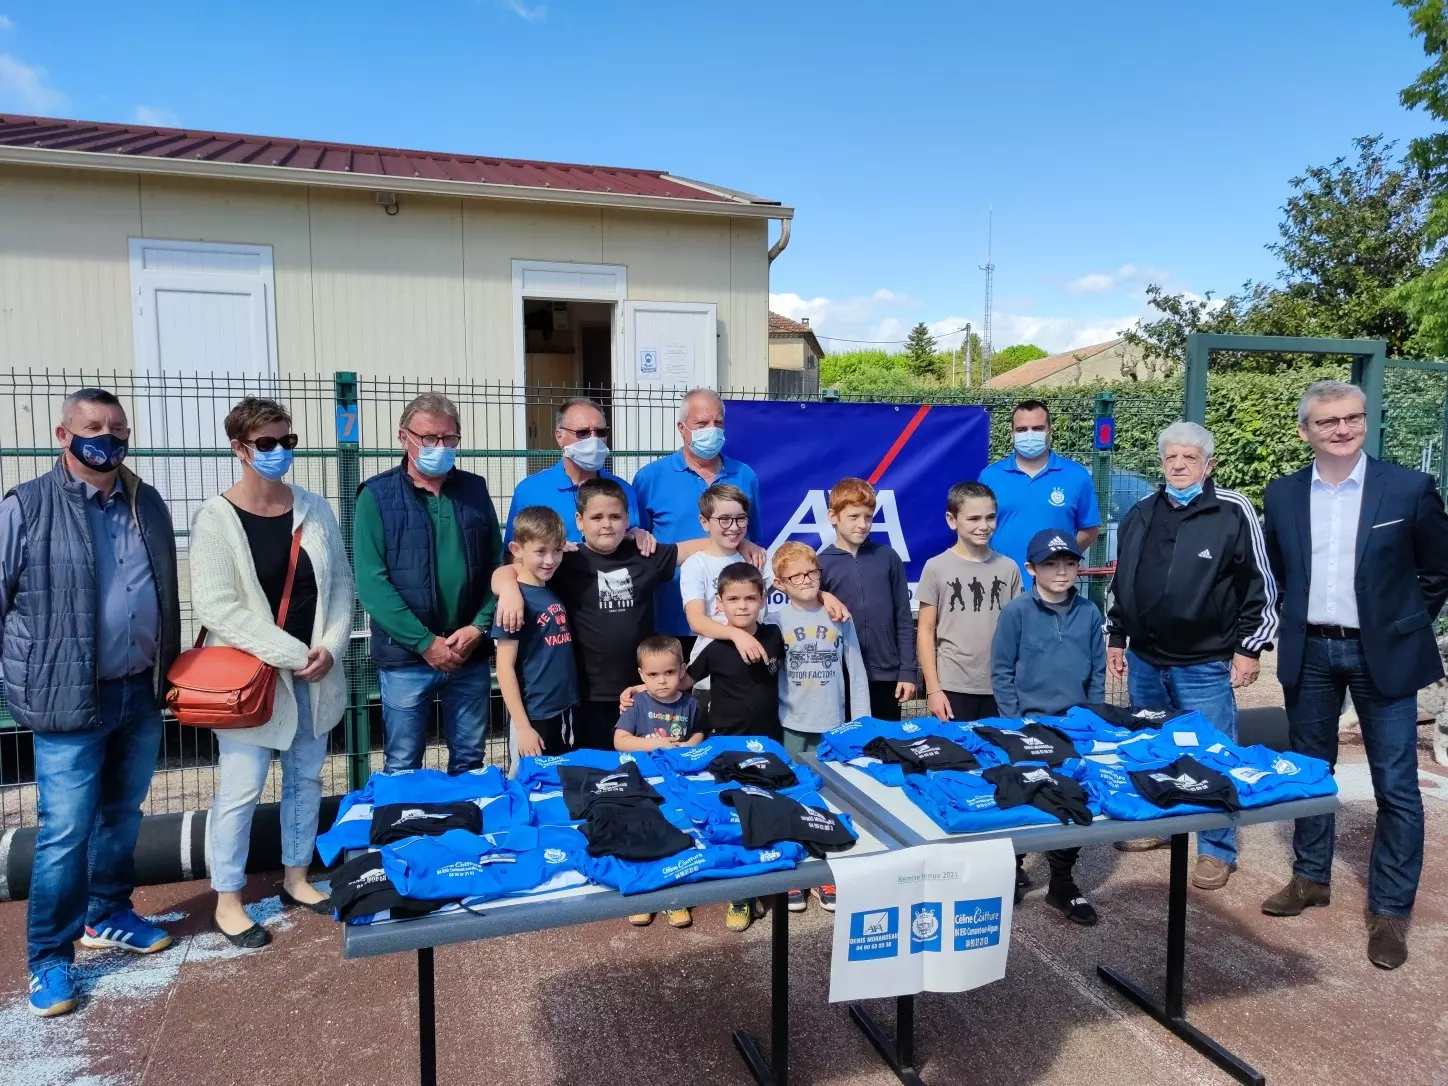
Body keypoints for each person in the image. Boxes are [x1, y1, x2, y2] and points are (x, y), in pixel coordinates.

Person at [1, 388, 181, 1018]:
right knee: (64, 832)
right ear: (63, 434)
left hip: (138, 689)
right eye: (93, 427)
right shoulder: (26, 506)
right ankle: (50, 958)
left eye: (117, 428)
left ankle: (108, 912)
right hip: (65, 698)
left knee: (123, 814)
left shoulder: (145, 502)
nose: (107, 437)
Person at [1261, 379, 1448, 970]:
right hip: (1311, 652)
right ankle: (1311, 876)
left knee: (1397, 786)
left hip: (1382, 655)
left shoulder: (1410, 488)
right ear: (1305, 431)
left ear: (1364, 422)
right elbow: (1282, 573)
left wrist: (1401, 624)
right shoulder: (1283, 494)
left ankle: (1390, 910)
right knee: (1311, 772)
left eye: (1351, 418)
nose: (1341, 429)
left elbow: (1438, 572)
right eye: (1327, 422)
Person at [190, 398, 354, 948]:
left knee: (306, 778)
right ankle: (229, 898)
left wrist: (329, 646)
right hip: (252, 681)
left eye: (287, 441)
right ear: (240, 448)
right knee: (240, 787)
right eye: (266, 444)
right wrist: (291, 652)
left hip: (314, 673)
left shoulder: (314, 508)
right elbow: (217, 607)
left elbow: (341, 587)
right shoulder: (217, 519)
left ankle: (296, 877)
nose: (279, 452)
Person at [1104, 421, 1278, 888]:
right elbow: (1123, 582)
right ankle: (1163, 826)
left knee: (1212, 752)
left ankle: (1216, 847)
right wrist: (1117, 637)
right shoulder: (1141, 511)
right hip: (1145, 660)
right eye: (1170, 458)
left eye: (1189, 458)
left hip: (1203, 662)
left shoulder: (1232, 510)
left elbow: (1259, 585)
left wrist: (1249, 648)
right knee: (1153, 748)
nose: (1179, 466)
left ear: (1209, 464)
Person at [493, 477, 714, 751]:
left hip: (641, 691)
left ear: (627, 519)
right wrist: (508, 589)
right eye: (596, 517)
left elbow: (699, 547)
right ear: (579, 520)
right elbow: (511, 570)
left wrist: (742, 545)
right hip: (587, 696)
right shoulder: (565, 559)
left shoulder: (645, 553)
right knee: (596, 771)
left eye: (615, 516)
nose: (606, 524)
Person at [354, 392, 503, 774]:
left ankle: (466, 831)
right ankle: (405, 833)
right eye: (429, 438)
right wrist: (424, 643)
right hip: (407, 658)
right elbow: (372, 584)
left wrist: (478, 627)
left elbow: (496, 565)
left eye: (449, 439)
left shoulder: (474, 489)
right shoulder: (376, 496)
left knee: (470, 761)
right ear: (404, 437)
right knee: (403, 762)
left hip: (468, 651)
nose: (440, 447)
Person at [992, 529, 1106, 926]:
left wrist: (1089, 718)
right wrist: (1015, 722)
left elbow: (1097, 671)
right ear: (1031, 569)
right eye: (1050, 564)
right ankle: (1010, 871)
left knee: (1071, 798)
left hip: (1073, 725)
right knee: (1023, 798)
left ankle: (1061, 882)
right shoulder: (1016, 612)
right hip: (1028, 725)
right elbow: (1002, 670)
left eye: (1069, 563)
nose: (1061, 572)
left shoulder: (1090, 612)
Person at [769, 541, 869, 915]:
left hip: (833, 725)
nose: (806, 580)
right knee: (792, 797)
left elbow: (856, 670)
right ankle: (797, 875)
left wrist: (858, 723)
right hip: (792, 724)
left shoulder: (839, 616)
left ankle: (828, 869)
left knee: (829, 799)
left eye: (812, 573)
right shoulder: (774, 620)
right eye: (795, 576)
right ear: (781, 583)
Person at [683, 562, 785, 933]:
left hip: (770, 743)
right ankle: (740, 894)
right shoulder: (713, 647)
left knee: (768, 810)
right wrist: (641, 689)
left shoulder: (775, 636)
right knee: (735, 816)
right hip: (725, 746)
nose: (742, 606)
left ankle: (773, 876)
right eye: (733, 599)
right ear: (720, 604)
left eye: (749, 598)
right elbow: (680, 683)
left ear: (761, 600)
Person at [632, 388, 764, 656]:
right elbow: (641, 544)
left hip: (732, 623)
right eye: (702, 424)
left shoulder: (744, 475)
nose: (711, 430)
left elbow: (752, 538)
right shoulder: (650, 477)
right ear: (682, 428)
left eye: (718, 423)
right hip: (670, 620)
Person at [617, 634, 703, 930]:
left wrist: (690, 744)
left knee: (677, 835)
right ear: (641, 675)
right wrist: (656, 745)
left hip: (677, 783)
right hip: (645, 784)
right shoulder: (638, 703)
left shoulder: (691, 703)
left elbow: (698, 733)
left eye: (669, 672)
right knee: (645, 837)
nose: (662, 681)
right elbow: (620, 740)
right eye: (653, 675)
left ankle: (675, 898)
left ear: (682, 670)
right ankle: (644, 896)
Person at [918, 481, 1021, 723]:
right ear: (952, 520)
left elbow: (1020, 630)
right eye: (974, 519)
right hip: (952, 686)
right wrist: (933, 690)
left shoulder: (1009, 568)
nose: (984, 526)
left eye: (990, 517)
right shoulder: (936, 567)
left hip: (1001, 686)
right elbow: (925, 631)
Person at [818, 477, 917, 720]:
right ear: (833, 516)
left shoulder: (888, 557)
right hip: (841, 674)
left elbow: (903, 617)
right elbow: (803, 603)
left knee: (886, 745)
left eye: (868, 517)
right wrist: (821, 594)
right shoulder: (820, 563)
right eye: (853, 517)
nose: (862, 524)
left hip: (886, 674)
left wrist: (907, 671)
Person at [978, 399, 1101, 587]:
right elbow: (977, 527)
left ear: (1049, 432)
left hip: (1053, 588)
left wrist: (1061, 557)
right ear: (1012, 434)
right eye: (1021, 430)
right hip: (999, 585)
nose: (1029, 435)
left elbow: (1089, 530)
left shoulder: (1076, 475)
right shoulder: (990, 476)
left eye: (1037, 428)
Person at [491, 505, 579, 760]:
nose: (550, 560)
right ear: (517, 550)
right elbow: (504, 668)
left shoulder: (549, 589)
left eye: (557, 550)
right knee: (529, 786)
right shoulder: (513, 601)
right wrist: (522, 726)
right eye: (540, 551)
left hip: (564, 708)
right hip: (534, 715)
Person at [504, 397, 640, 544]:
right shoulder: (529, 491)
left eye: (600, 432)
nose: (594, 440)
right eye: (583, 432)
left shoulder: (623, 490)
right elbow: (514, 555)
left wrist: (638, 535)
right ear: (559, 437)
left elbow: (634, 542)